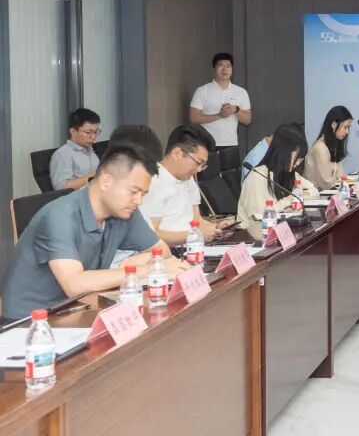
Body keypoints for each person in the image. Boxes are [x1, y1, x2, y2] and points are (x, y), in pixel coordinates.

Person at [1, 145, 188, 322]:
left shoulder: (124, 212)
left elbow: (162, 251)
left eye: (143, 194)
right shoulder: (59, 216)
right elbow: (74, 284)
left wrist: (133, 262)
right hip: (31, 321)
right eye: (134, 191)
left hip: (80, 307)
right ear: (106, 181)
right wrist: (145, 270)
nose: (139, 201)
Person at [141, 124, 230, 246]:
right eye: (198, 162)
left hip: (194, 247)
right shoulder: (152, 182)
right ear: (177, 153)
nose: (199, 170)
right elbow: (150, 235)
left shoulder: (188, 178)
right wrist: (194, 236)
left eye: (203, 165)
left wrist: (216, 228)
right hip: (170, 252)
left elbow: (196, 220)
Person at [236, 127, 318, 237]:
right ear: (283, 153)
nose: (298, 163)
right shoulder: (257, 176)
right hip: (253, 237)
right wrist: (288, 201)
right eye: (296, 158)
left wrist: (296, 198)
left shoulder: (288, 173)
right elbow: (260, 217)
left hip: (279, 232)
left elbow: (314, 191)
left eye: (301, 160)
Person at [189, 52, 251, 150]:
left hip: (231, 143)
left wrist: (236, 110)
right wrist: (219, 115)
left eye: (228, 66)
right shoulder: (202, 90)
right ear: (213, 69)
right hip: (206, 144)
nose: (225, 69)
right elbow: (193, 118)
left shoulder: (241, 92)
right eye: (220, 65)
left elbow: (247, 120)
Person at [49, 108, 102, 190]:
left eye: (95, 132)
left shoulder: (92, 153)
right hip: (79, 197)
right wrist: (92, 177)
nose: (93, 137)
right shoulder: (63, 154)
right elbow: (61, 187)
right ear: (73, 131)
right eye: (88, 132)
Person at [305, 106, 354, 190]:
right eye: (345, 127)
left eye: (348, 128)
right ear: (334, 125)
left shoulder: (333, 146)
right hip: (316, 195)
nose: (347, 132)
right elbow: (326, 183)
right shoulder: (320, 148)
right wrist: (345, 188)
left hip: (329, 193)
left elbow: (340, 176)